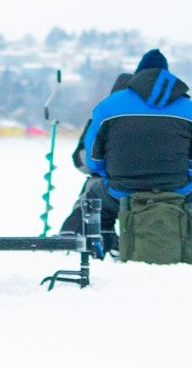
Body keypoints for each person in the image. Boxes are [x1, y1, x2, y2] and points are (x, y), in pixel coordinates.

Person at [82, 49, 192, 262]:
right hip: (177, 189)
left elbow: (93, 160)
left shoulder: (110, 105)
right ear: (166, 75)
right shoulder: (187, 107)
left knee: (95, 196)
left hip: (120, 191)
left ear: (137, 75)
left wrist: (108, 172)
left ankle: (103, 251)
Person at [57, 71, 132, 255]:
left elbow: (82, 162)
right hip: (153, 183)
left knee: (91, 195)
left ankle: (74, 238)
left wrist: (102, 164)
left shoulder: (99, 120)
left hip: (107, 182)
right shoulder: (155, 119)